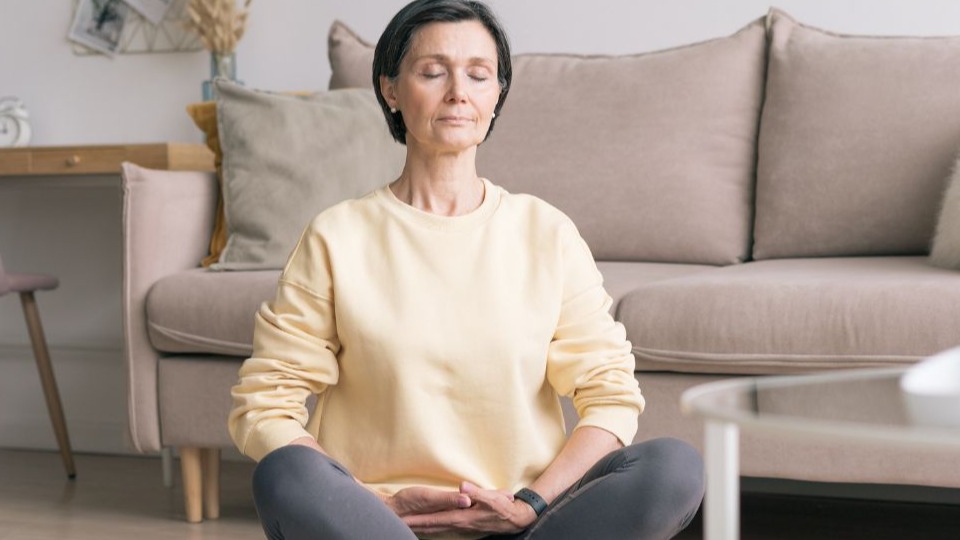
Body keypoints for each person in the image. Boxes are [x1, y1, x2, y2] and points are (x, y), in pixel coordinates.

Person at [227, 1, 705, 538]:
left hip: (524, 523)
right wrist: (376, 502)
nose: (458, 91)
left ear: (496, 94)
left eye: (478, 75)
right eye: (433, 72)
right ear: (390, 89)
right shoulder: (337, 237)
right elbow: (265, 403)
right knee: (286, 474)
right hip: (378, 525)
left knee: (674, 466)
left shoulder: (546, 233)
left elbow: (611, 396)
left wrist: (530, 502)